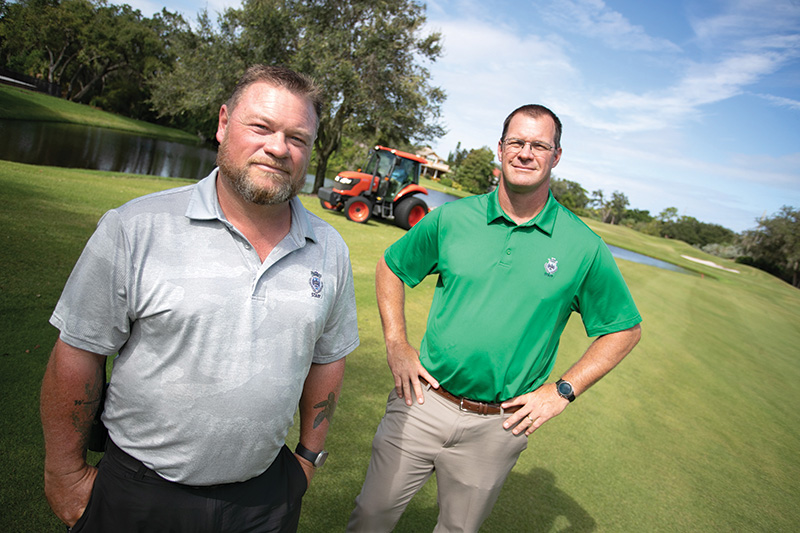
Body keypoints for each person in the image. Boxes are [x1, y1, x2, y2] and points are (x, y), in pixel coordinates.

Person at [40, 64, 360, 532]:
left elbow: (328, 358)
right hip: (138, 494)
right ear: (223, 122)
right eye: (261, 127)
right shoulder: (135, 228)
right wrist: (65, 474)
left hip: (265, 501)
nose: (278, 148)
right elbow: (79, 351)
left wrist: (307, 459)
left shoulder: (329, 250)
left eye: (298, 137)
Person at [347, 104, 642, 532]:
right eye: (517, 143)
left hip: (498, 426)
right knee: (370, 518)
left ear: (556, 156)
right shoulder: (452, 218)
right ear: (500, 150)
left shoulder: (583, 247)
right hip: (422, 402)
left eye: (539, 145)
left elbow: (623, 329)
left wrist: (562, 391)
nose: (526, 153)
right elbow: (392, 266)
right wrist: (396, 343)